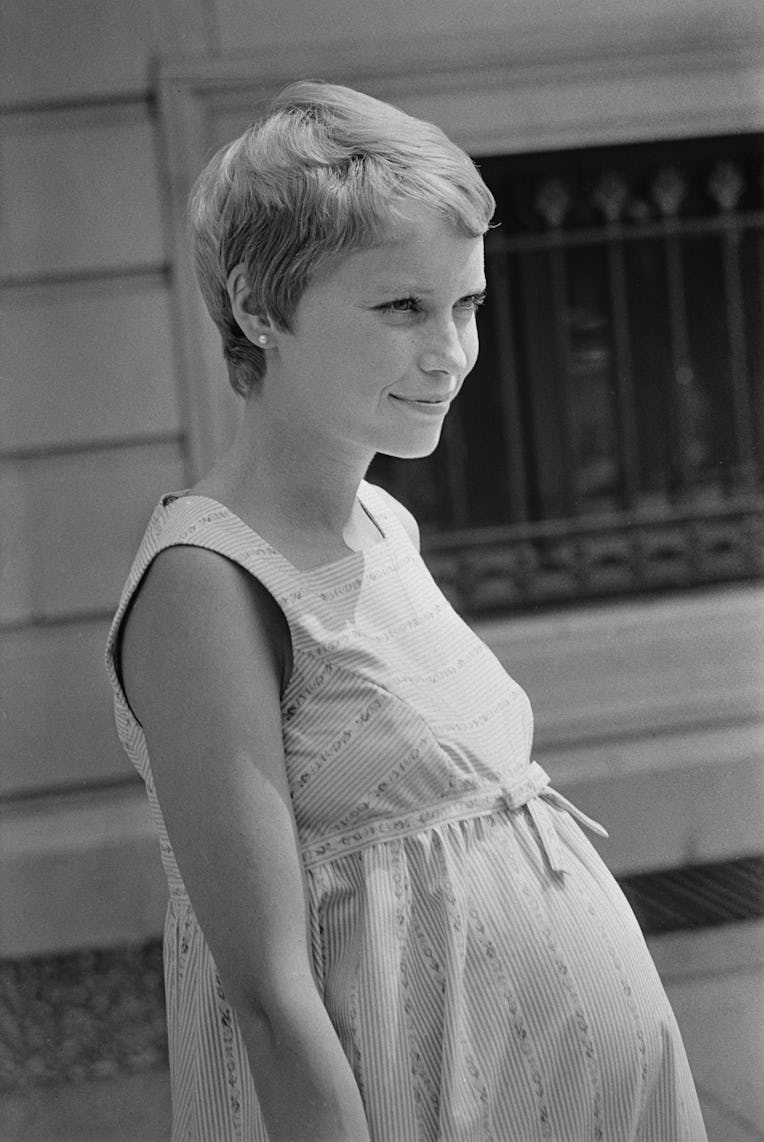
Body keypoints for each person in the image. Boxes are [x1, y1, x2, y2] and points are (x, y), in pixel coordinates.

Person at [105, 81, 708, 1142]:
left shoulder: (382, 519)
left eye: (464, 304)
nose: (450, 352)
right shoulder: (207, 583)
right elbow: (269, 996)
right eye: (402, 308)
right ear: (257, 308)